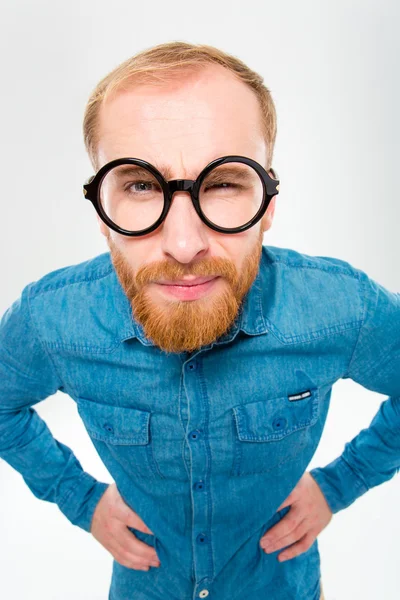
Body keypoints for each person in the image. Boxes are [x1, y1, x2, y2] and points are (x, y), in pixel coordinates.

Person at [0, 41, 398, 600]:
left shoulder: (341, 308)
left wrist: (341, 484)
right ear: (100, 211)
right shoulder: (50, 320)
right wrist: (79, 499)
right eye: (140, 185)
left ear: (270, 200)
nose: (184, 245)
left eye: (223, 183)